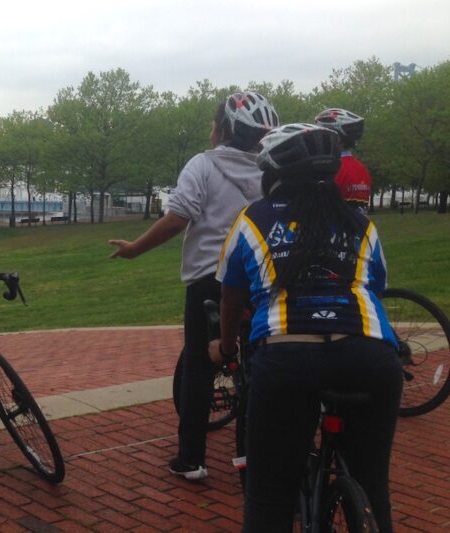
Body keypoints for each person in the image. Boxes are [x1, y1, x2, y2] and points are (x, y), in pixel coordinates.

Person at [214, 123, 401, 531]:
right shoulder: (360, 224)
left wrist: (226, 349)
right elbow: (377, 288)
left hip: (287, 356)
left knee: (269, 496)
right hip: (369, 354)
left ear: (272, 177)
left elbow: (231, 295)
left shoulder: (254, 219)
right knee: (373, 485)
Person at [109, 92, 279, 481]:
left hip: (209, 278)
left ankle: (191, 459)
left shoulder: (203, 164)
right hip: (257, 279)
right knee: (259, 362)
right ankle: (262, 451)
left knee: (200, 365)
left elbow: (177, 218)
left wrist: (135, 249)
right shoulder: (270, 172)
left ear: (222, 128)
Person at [315, 108, 371, 213]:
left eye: (323, 135)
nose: (319, 139)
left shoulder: (331, 169)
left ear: (338, 139)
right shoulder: (362, 169)